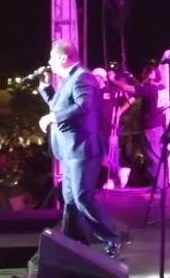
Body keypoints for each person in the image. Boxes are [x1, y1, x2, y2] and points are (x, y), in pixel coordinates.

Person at [38, 40, 126, 257]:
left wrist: (52, 118)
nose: (49, 62)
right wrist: (46, 88)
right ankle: (74, 244)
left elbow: (83, 106)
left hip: (82, 149)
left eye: (51, 57)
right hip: (70, 150)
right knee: (70, 200)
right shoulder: (68, 80)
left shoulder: (82, 77)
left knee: (82, 197)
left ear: (63, 58)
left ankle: (114, 236)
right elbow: (58, 106)